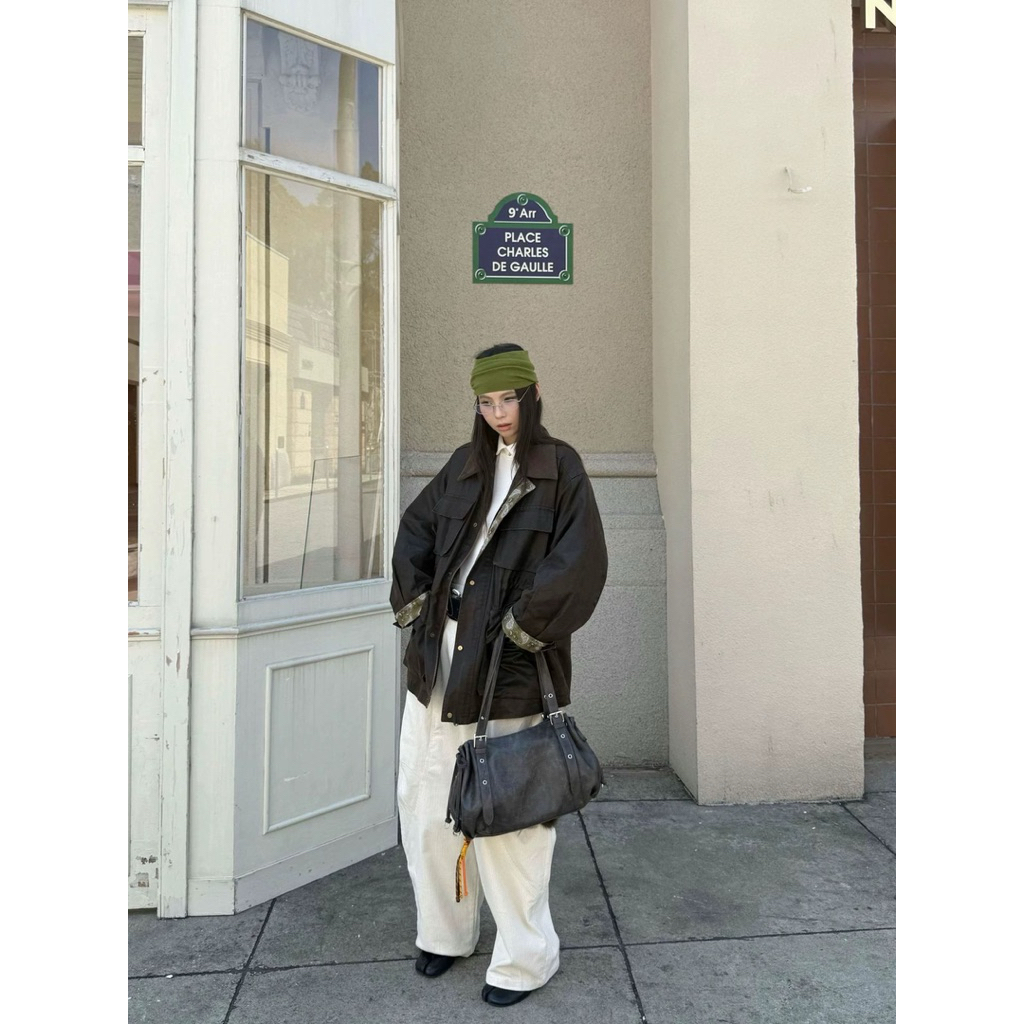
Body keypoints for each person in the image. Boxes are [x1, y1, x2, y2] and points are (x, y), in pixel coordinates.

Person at [390, 343, 608, 1007]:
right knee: (425, 801)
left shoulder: (560, 467)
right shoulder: (464, 465)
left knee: (512, 818)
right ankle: (445, 932)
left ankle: (525, 958)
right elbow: (414, 530)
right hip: (440, 660)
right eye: (486, 402)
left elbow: (580, 562)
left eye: (508, 399)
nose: (498, 413)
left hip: (506, 667)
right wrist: (419, 601)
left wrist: (520, 627)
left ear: (532, 394)